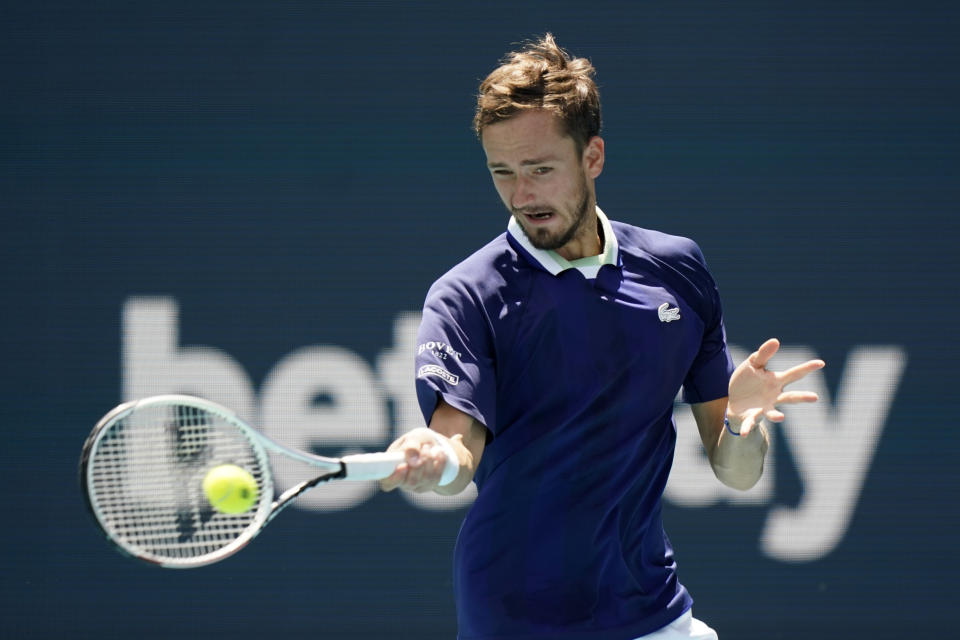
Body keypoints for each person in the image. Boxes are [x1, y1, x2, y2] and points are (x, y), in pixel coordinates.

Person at [381, 34, 824, 640]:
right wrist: (436, 459)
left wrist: (741, 428)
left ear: (593, 157)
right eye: (502, 173)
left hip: (652, 611)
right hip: (514, 620)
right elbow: (459, 455)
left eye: (540, 169)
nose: (522, 195)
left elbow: (736, 471)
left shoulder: (677, 269)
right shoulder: (465, 296)